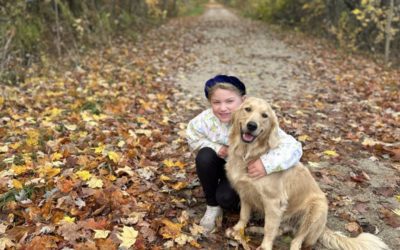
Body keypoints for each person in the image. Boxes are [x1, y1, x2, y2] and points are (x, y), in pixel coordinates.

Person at [186, 75, 303, 233]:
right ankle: (212, 206)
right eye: (216, 102)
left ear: (243, 100)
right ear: (210, 103)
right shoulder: (205, 120)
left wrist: (266, 164)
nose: (223, 108)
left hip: (243, 171)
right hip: (221, 164)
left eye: (229, 101)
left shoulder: (256, 121)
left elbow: (294, 147)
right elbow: (192, 136)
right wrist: (214, 147)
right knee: (205, 155)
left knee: (226, 200)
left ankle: (245, 204)